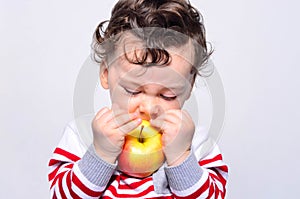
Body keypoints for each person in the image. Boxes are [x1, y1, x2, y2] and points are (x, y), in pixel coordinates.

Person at [48, 0, 228, 198]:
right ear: (106, 73)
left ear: (190, 86)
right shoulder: (82, 136)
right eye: (133, 91)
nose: (149, 108)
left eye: (167, 95)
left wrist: (181, 157)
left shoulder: (195, 143)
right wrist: (100, 154)